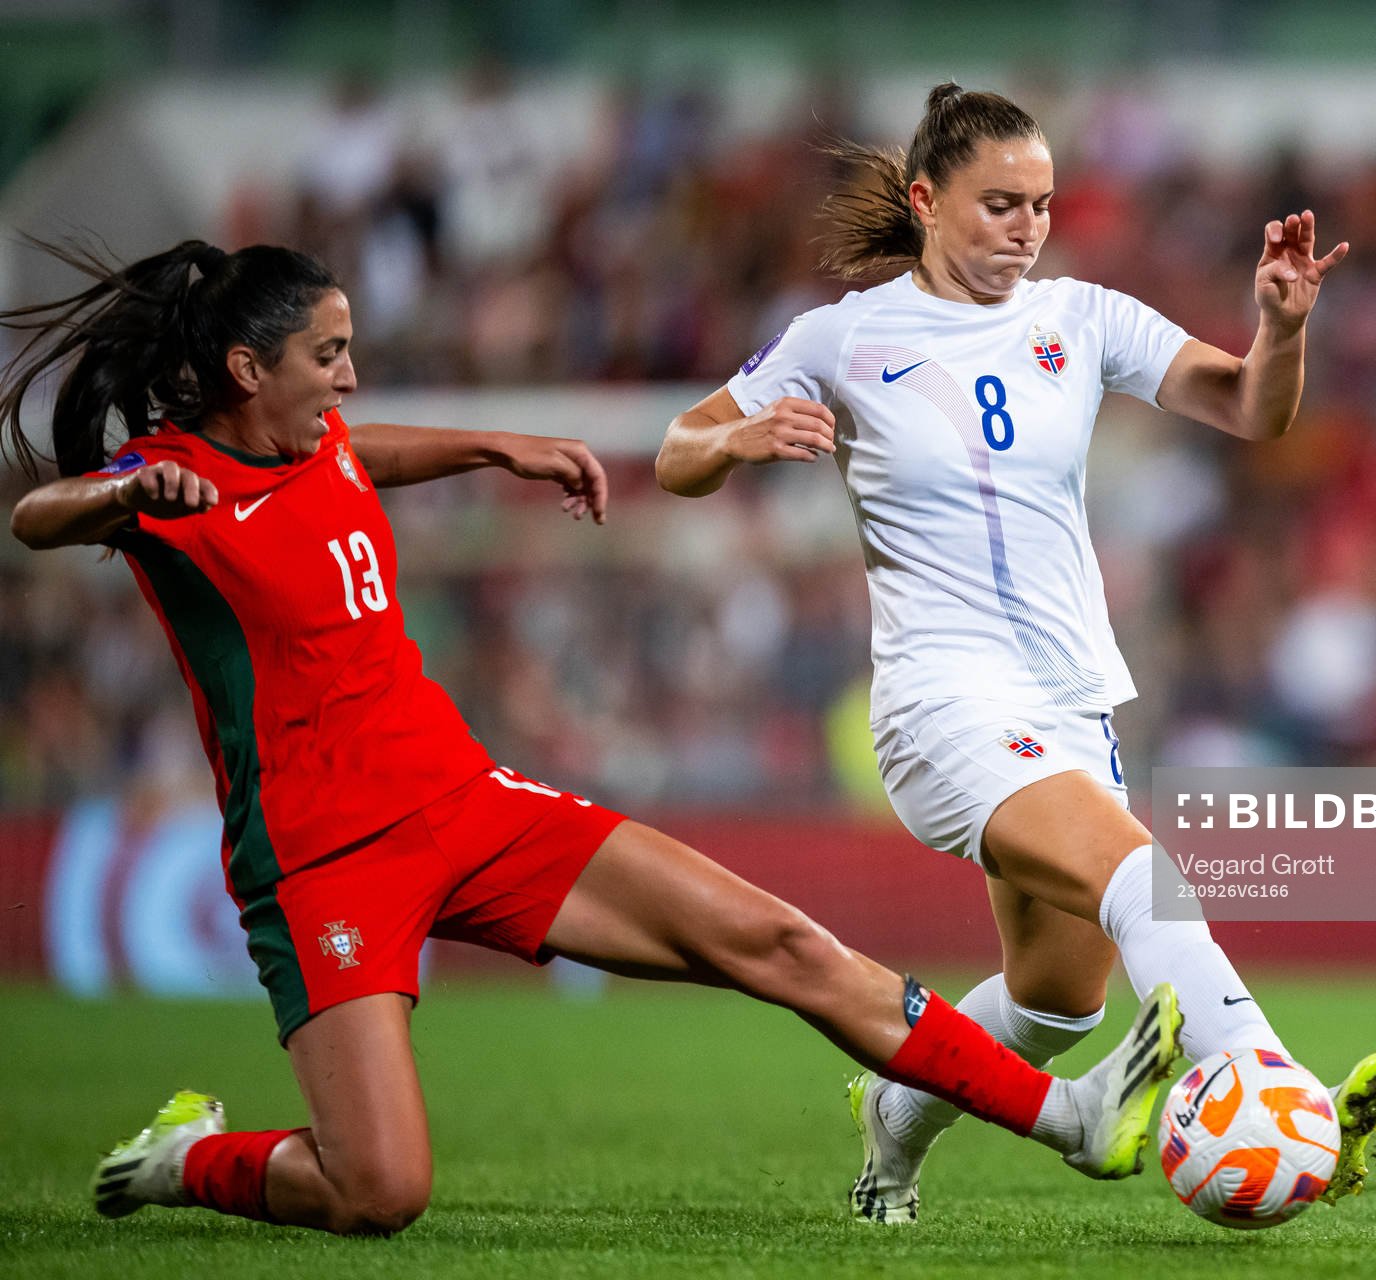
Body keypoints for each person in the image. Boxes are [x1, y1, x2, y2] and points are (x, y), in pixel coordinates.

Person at [1, 238, 1182, 1236]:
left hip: (466, 802)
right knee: (379, 1189)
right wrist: (120, 495)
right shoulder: (172, 479)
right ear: (247, 369)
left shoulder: (319, 442)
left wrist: (495, 446)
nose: (349, 376)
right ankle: (189, 1156)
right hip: (322, 860)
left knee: (777, 939)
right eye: (328, 355)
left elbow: (368, 452)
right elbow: (35, 515)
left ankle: (1067, 1116)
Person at [657, 84, 1376, 1224]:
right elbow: (677, 450)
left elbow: (1256, 411)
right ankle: (1280, 1092)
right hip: (941, 704)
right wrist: (740, 436)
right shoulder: (843, 337)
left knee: (1057, 1004)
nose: (1027, 228)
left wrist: (1283, 328)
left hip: (1070, 702)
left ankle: (891, 1126)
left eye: (1042, 205)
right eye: (1000, 204)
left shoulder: (1082, 317)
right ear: (925, 201)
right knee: (1146, 882)